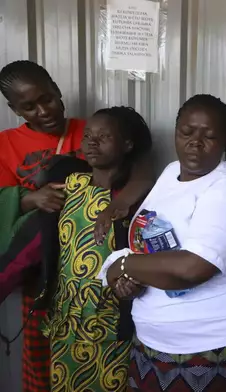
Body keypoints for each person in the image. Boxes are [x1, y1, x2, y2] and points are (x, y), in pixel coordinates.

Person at [0, 60, 154, 392]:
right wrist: (32, 199)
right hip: (55, 294)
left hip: (113, 319)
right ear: (14, 109)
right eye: (29, 106)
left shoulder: (97, 130)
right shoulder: (13, 150)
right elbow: (22, 238)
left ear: (57, 90)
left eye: (48, 98)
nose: (43, 111)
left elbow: (141, 163)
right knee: (48, 373)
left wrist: (120, 201)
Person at [99, 94, 226, 392]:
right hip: (153, 341)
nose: (195, 143)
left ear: (225, 141)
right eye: (186, 133)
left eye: (209, 136)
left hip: (212, 346)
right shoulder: (169, 173)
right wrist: (129, 280)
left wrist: (120, 264)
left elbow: (194, 267)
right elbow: (151, 245)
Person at [37, 106, 152, 392]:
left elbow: (153, 255)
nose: (91, 141)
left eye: (104, 136)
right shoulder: (69, 185)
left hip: (112, 323)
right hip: (67, 320)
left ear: (127, 144)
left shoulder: (139, 199)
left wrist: (136, 284)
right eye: (87, 135)